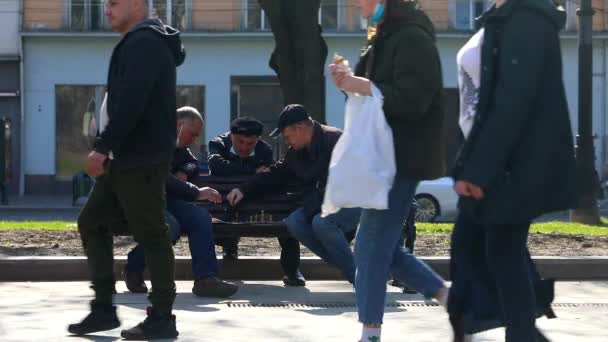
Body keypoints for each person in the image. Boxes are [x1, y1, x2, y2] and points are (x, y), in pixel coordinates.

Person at [449, 0, 576, 341]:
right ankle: (520, 332)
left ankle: (517, 332)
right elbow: (485, 104)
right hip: (498, 160)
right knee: (487, 249)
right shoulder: (501, 18)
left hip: (514, 164)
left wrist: (478, 170)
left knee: (496, 251)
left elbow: (511, 103)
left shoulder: (526, 22)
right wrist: (467, 164)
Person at [329, 1, 450, 341]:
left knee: (369, 246)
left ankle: (371, 332)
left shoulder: (411, 37)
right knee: (383, 247)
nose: (354, 3)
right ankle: (453, 301)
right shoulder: (384, 35)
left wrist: (361, 85)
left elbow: (412, 101)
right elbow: (375, 96)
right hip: (384, 156)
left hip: (400, 157)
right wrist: (349, 84)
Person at [68, 0, 185, 339]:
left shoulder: (145, 43)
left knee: (152, 234)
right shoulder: (139, 41)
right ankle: (104, 308)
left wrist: (102, 147)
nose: (106, 9)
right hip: (126, 158)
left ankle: (162, 316)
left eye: (114, 3)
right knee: (91, 222)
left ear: (136, 4)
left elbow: (132, 102)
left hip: (141, 158)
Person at [226, 105, 361, 285]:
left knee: (321, 223)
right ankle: (354, 267)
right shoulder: (297, 152)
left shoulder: (336, 140)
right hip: (323, 205)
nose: (287, 142)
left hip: (357, 201)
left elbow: (353, 181)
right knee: (294, 222)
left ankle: (360, 280)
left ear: (299, 129)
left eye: (287, 136)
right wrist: (243, 189)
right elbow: (277, 173)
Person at [124, 107, 238, 298]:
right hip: (141, 201)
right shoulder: (150, 141)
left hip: (166, 201)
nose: (194, 140)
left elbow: (193, 164)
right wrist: (195, 192)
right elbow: (160, 177)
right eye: (192, 134)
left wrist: (185, 169)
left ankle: (206, 279)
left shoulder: (179, 146)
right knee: (170, 227)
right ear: (179, 125)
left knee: (200, 217)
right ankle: (134, 267)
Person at [208, 117, 305, 285]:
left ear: (258, 140)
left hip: (255, 200)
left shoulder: (264, 150)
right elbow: (218, 166)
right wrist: (253, 170)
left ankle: (292, 269)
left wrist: (247, 181)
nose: (244, 147)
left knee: (285, 219)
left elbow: (266, 179)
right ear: (231, 136)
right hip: (222, 202)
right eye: (240, 142)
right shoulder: (217, 144)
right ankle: (227, 247)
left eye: (250, 143)